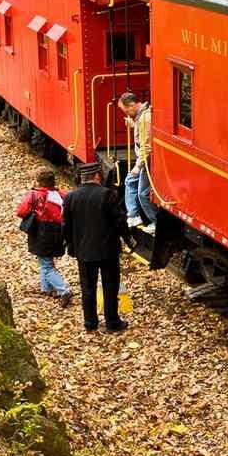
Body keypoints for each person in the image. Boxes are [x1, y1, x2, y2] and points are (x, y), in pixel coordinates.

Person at [63, 163, 129, 332]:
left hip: (84, 251)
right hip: (108, 250)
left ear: (83, 178)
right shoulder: (107, 195)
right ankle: (112, 322)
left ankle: (90, 323)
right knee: (110, 286)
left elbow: (66, 226)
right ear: (97, 177)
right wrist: (128, 239)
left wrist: (71, 245)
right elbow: (119, 221)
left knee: (88, 288)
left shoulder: (71, 197)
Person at [16, 169, 72, 301]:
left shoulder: (34, 194)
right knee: (46, 260)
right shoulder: (62, 196)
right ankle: (46, 288)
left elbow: (21, 211)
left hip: (40, 232)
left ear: (39, 181)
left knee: (46, 265)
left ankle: (64, 289)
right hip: (58, 231)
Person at [119, 92, 156, 231]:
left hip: (146, 161)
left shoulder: (145, 118)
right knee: (131, 182)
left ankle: (153, 221)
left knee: (143, 193)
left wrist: (138, 166)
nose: (127, 114)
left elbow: (147, 146)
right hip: (144, 160)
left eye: (127, 110)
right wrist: (134, 124)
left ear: (133, 105)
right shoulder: (142, 116)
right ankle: (133, 215)